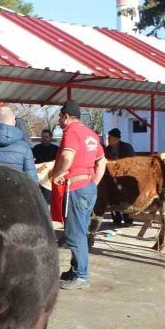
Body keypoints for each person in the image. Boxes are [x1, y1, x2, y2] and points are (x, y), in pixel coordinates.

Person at [50, 99, 106, 290]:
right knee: (80, 229)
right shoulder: (91, 134)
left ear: (66, 116)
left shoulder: (71, 132)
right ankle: (76, 270)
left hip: (75, 188)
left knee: (75, 233)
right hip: (88, 187)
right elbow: (102, 162)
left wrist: (56, 174)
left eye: (59, 116)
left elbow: (67, 156)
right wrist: (93, 183)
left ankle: (81, 276)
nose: (59, 120)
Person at [104, 128, 136, 226]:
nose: (108, 139)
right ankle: (116, 219)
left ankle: (128, 220)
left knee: (126, 199)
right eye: (108, 137)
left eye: (110, 138)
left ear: (116, 138)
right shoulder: (107, 149)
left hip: (126, 177)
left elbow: (131, 162)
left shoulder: (127, 147)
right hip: (113, 177)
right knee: (113, 198)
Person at [33, 129, 59, 205]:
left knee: (47, 199)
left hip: (49, 178)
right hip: (38, 176)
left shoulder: (55, 149)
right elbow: (31, 160)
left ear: (50, 137)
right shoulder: (36, 148)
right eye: (43, 137)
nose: (44, 139)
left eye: (46, 137)